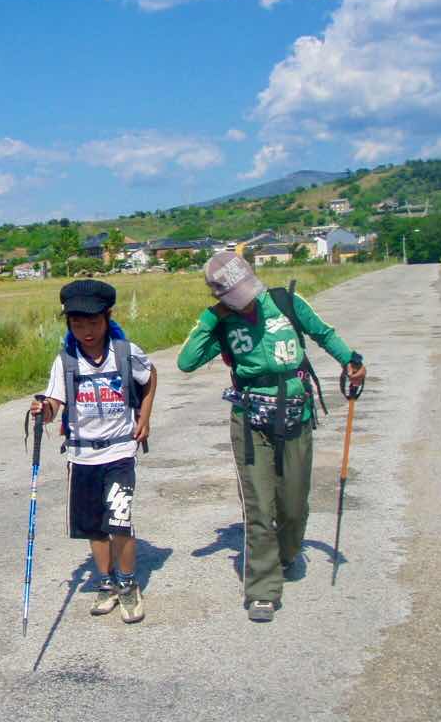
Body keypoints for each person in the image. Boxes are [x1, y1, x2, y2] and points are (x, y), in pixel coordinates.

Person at [177, 252, 366, 623]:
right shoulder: (222, 322)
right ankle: (262, 588)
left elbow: (323, 333)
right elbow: (186, 361)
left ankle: (287, 552)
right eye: (233, 297)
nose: (244, 301)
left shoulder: (284, 302)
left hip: (297, 413)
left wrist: (351, 361)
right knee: (260, 506)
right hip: (249, 420)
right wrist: (212, 316)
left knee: (294, 503)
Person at [30, 279, 156, 624]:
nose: (86, 330)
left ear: (108, 316)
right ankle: (106, 582)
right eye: (77, 323)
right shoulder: (66, 360)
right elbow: (56, 401)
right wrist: (44, 409)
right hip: (81, 456)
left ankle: (128, 583)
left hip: (119, 452)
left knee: (119, 521)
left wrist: (144, 418)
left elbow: (150, 378)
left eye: (93, 322)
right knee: (93, 528)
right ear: (68, 323)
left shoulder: (126, 352)